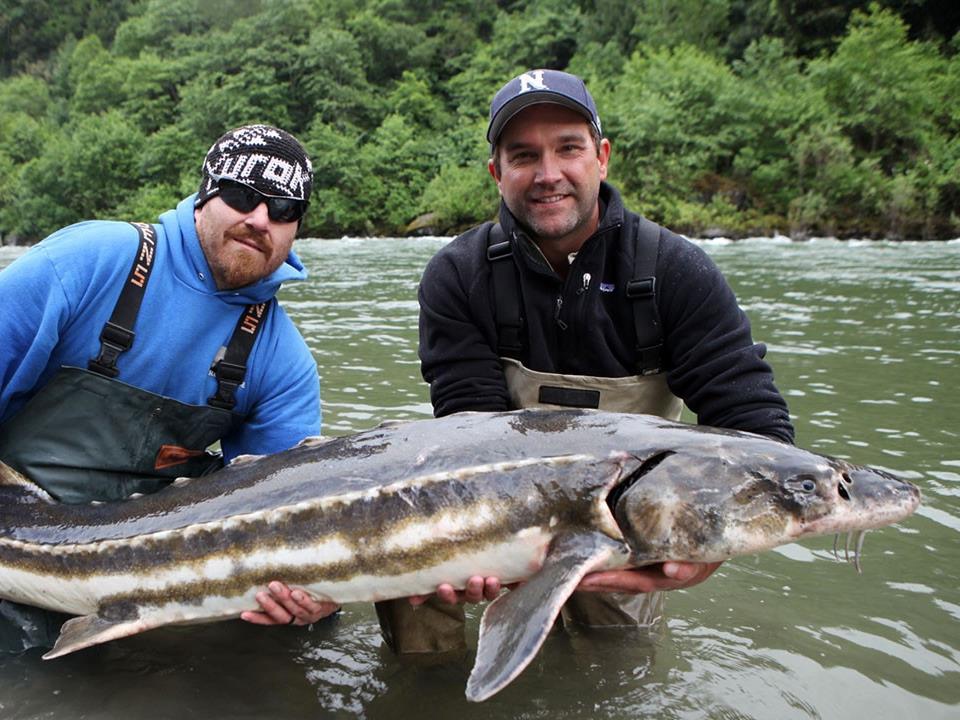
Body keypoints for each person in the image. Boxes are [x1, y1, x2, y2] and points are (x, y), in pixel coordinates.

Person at [390, 69, 797, 655]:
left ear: (601, 157)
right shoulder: (459, 275)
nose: (548, 174)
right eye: (524, 155)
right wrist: (476, 547)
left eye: (568, 149)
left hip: (624, 527)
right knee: (418, 589)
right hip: (493, 506)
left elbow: (760, 437)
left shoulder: (675, 271)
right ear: (496, 173)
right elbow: (468, 433)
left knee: (615, 669)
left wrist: (709, 555)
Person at [0, 124, 339, 652]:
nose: (258, 219)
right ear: (206, 195)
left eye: (283, 209)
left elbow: (285, 511)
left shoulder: (282, 359)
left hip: (149, 561)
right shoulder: (94, 258)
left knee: (304, 634)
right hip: (16, 520)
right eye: (242, 195)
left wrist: (321, 592)